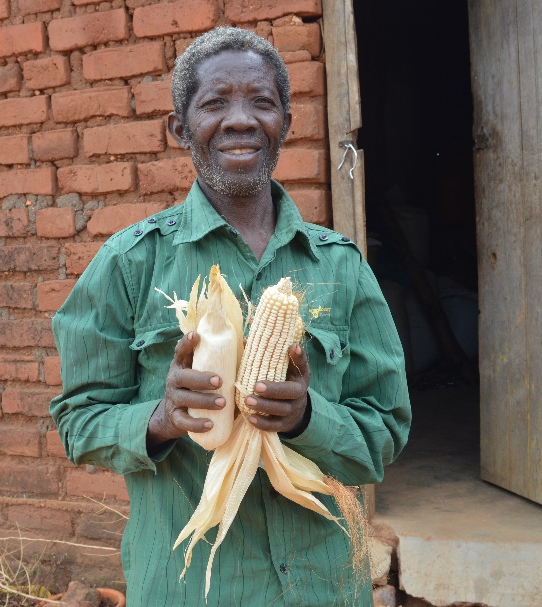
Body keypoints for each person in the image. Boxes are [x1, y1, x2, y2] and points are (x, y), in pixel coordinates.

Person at [51, 27, 411, 607]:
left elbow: (386, 431)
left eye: (261, 102)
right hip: (189, 585)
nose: (240, 120)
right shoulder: (128, 263)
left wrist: (306, 419)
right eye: (215, 103)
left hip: (323, 586)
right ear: (179, 128)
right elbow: (78, 421)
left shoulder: (341, 266)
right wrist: (162, 419)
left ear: (286, 124)